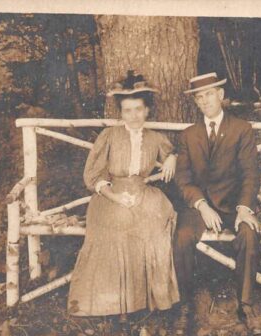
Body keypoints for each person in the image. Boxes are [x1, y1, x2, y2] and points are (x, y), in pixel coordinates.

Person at [67, 71, 180, 318]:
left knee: (153, 229)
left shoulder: (155, 138)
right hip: (110, 195)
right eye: (128, 110)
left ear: (147, 110)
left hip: (143, 192)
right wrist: (116, 197)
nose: (134, 116)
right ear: (121, 113)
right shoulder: (109, 136)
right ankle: (114, 305)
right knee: (117, 227)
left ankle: (149, 300)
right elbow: (94, 176)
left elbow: (172, 151)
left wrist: (171, 158)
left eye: (139, 109)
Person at [173, 72, 261, 335]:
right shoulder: (189, 135)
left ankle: (246, 305)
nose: (204, 101)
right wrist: (201, 204)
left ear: (221, 96)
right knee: (182, 236)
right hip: (201, 207)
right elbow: (184, 179)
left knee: (249, 232)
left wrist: (244, 209)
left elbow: (250, 173)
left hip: (234, 205)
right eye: (199, 97)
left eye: (209, 94)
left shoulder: (241, 129)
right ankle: (186, 305)